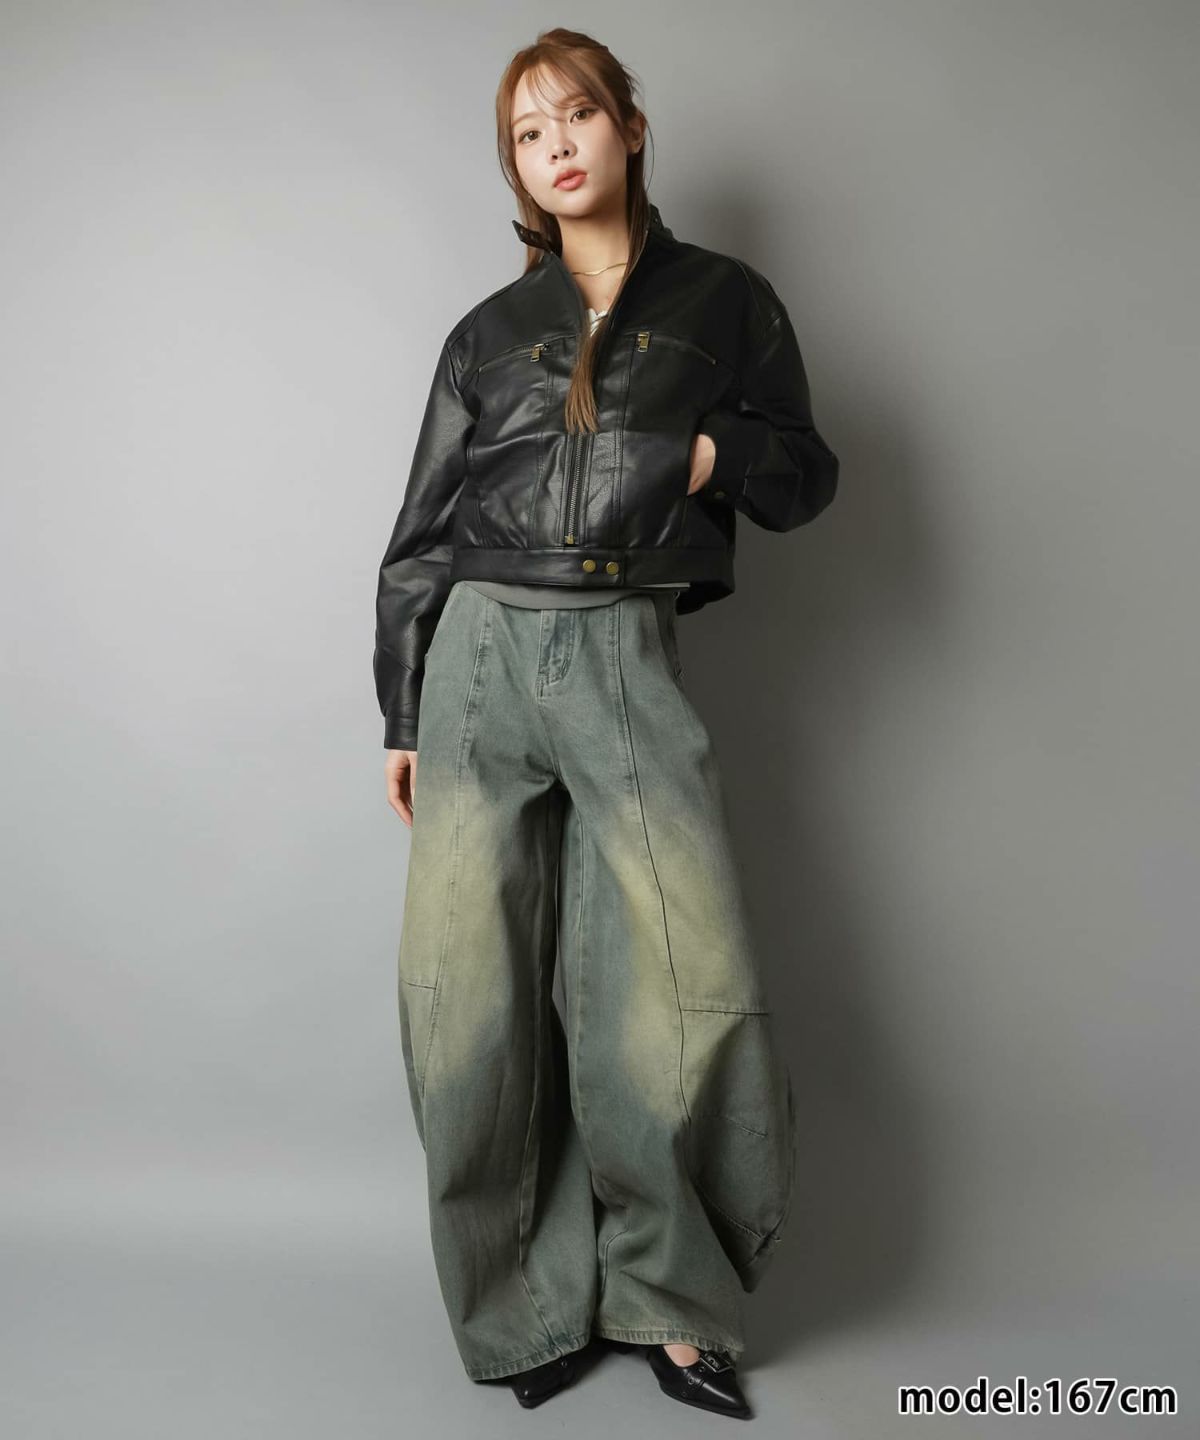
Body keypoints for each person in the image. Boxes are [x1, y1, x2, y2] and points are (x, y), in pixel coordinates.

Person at [372, 27, 839, 1420]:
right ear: (515, 167)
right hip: (478, 658)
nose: (556, 145)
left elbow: (804, 472)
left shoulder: (725, 301)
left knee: (679, 981)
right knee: (464, 995)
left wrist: (705, 454)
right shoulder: (487, 333)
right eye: (528, 132)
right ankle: (522, 1312)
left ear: (629, 126)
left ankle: (671, 1299)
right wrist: (402, 707)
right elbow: (423, 534)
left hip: (624, 647)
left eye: (575, 114)